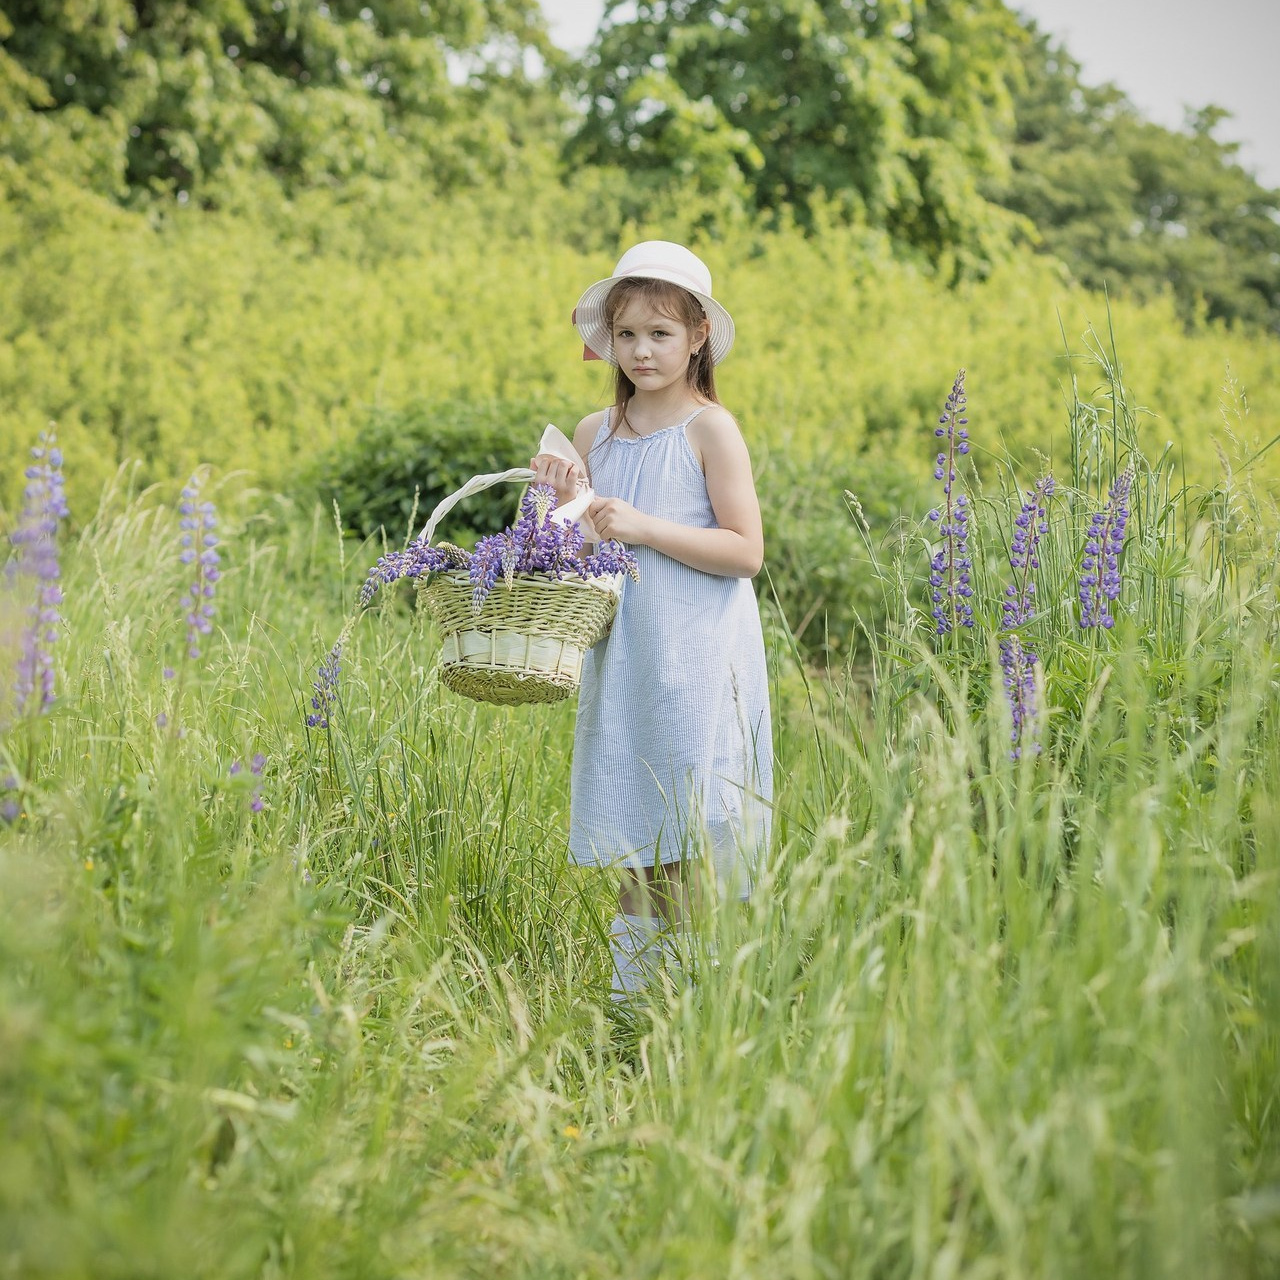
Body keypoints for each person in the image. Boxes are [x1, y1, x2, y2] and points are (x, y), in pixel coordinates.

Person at [531, 241, 773, 1001]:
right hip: (631, 656)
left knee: (691, 836)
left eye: (660, 334)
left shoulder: (710, 429)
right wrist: (552, 502)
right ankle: (632, 1008)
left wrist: (641, 526)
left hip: (699, 658)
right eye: (628, 333)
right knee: (642, 839)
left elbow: (746, 552)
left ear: (698, 336)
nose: (641, 351)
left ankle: (699, 1005)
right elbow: (568, 548)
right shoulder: (596, 430)